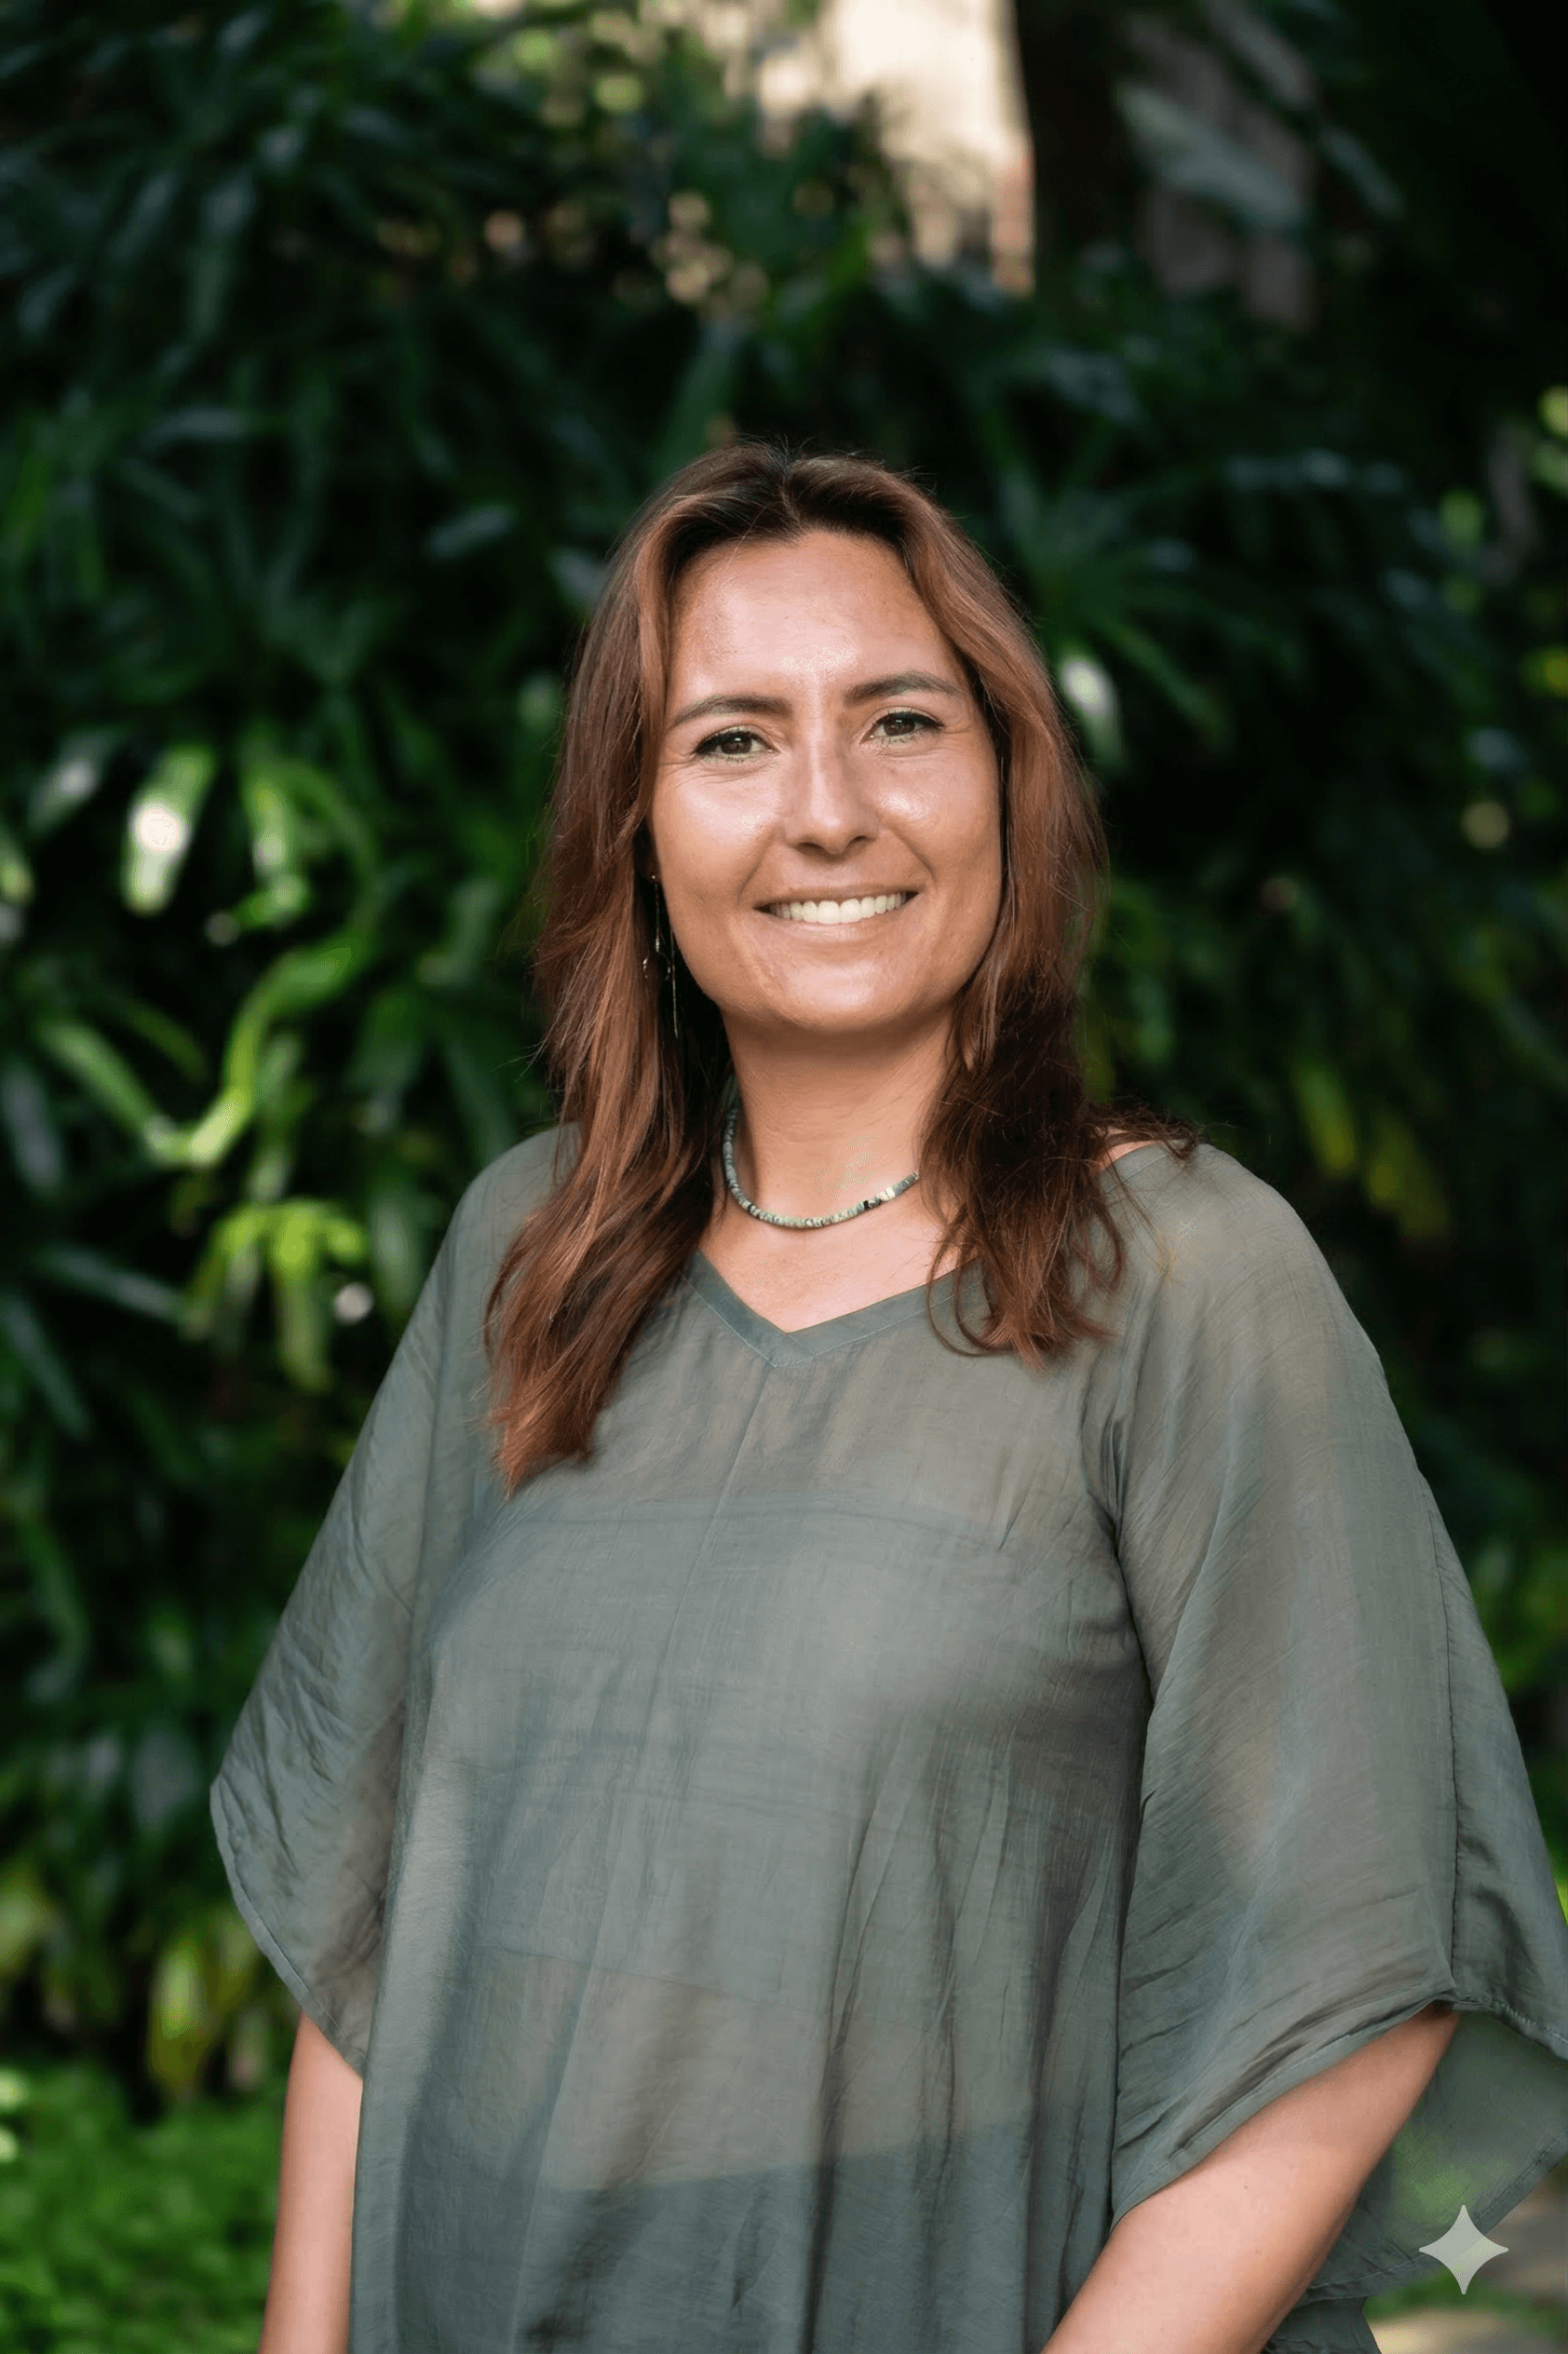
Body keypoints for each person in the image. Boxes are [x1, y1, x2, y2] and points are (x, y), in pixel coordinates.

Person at [213, 445, 1568, 2354]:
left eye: (898, 721)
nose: (825, 811)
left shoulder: (1178, 1274)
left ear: (1008, 777)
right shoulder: (525, 1252)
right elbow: (365, 1930)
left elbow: (1346, 1982)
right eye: (733, 742)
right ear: (636, 823)